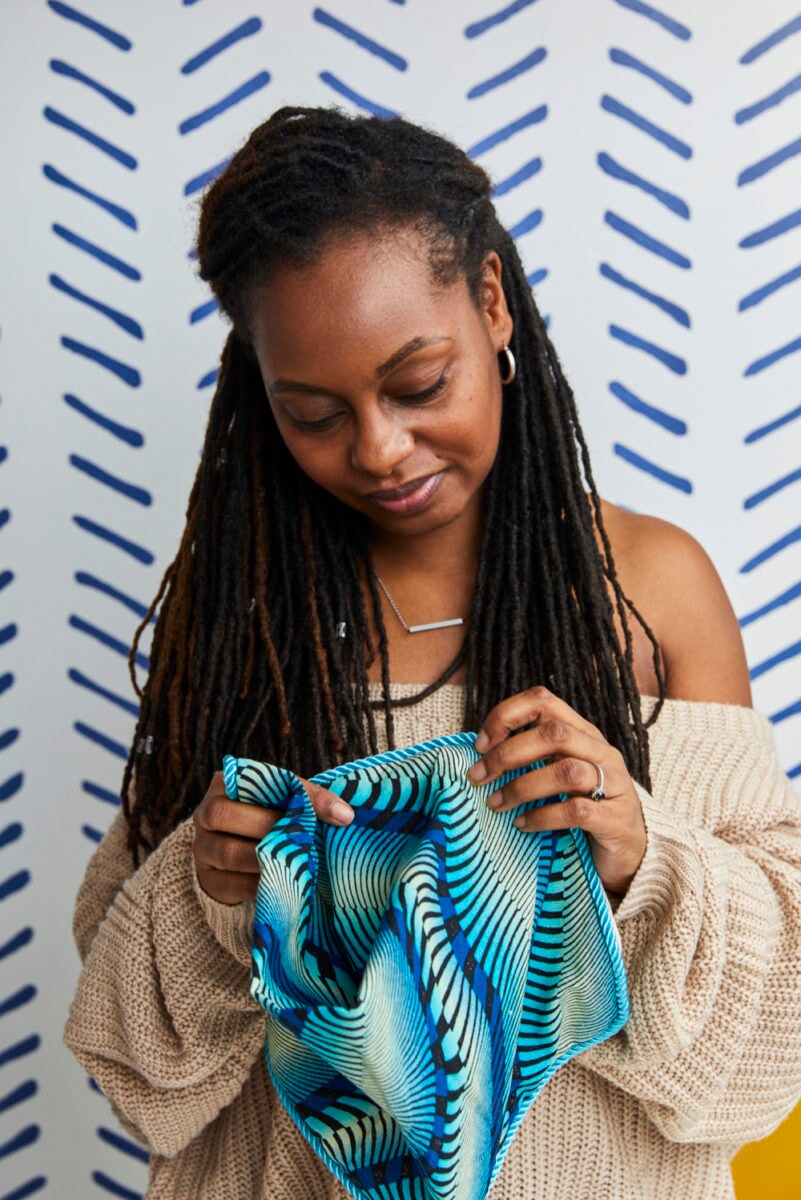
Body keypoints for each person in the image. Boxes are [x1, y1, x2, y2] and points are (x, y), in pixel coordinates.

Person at [63, 106, 801, 1200]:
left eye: (417, 385)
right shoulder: (243, 623)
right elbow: (143, 1083)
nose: (379, 448)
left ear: (492, 302)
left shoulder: (650, 593)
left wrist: (639, 861)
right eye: (312, 414)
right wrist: (214, 896)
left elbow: (771, 1054)